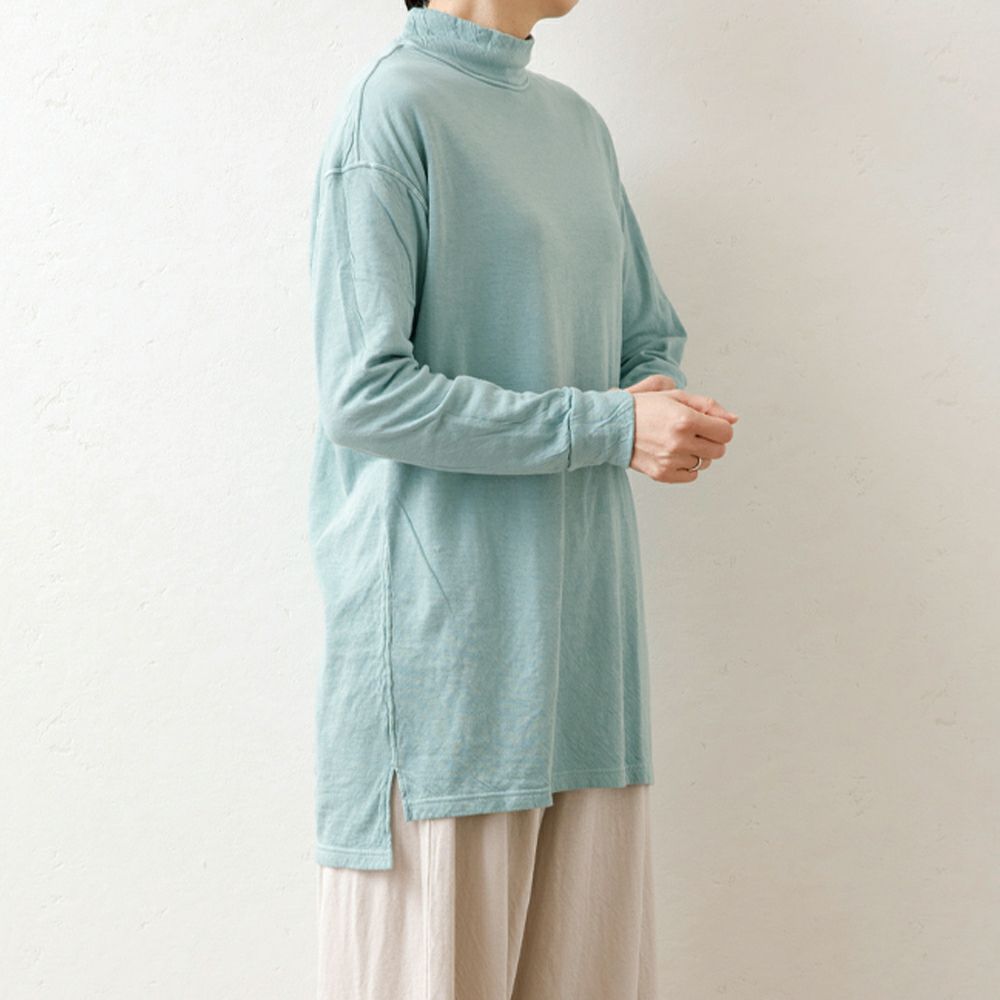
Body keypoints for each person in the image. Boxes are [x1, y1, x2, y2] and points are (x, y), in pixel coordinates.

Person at [308, 1, 739, 996]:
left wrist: (657, 402)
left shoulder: (575, 124)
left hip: (585, 661)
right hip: (447, 670)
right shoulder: (391, 111)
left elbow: (644, 333)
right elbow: (362, 394)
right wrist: (610, 428)